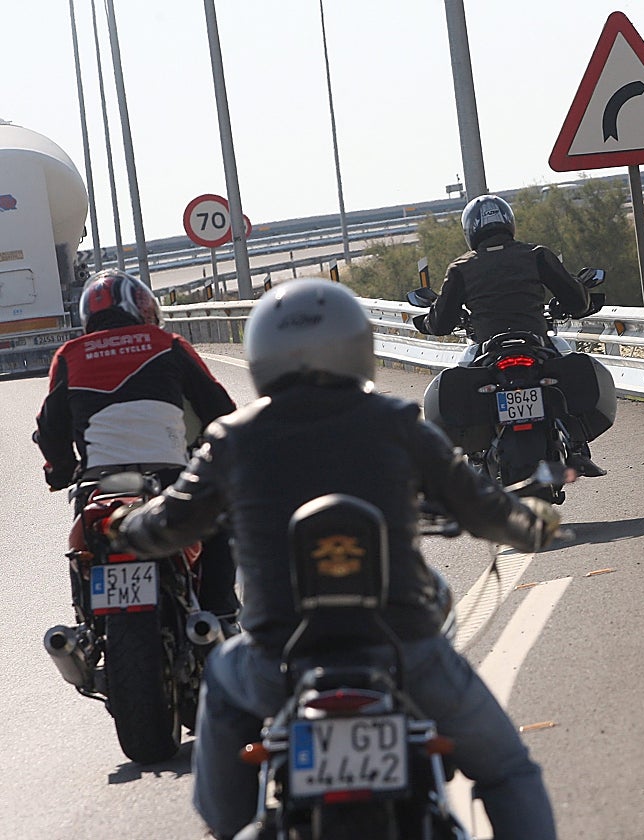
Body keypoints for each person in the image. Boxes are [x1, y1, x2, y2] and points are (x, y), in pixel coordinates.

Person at [107, 277, 561, 840]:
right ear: (356, 343)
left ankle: (228, 826)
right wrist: (532, 524)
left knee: (222, 678)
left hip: (278, 661)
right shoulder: (397, 422)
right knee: (507, 769)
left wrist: (126, 525)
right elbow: (480, 504)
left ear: (262, 354)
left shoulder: (232, 438)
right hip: (403, 652)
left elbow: (169, 524)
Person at [34, 268, 240, 624]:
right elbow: (220, 409)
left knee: (82, 545)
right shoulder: (168, 344)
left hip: (99, 482)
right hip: (168, 476)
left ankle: (88, 623)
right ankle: (220, 613)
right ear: (140, 306)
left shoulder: (69, 355)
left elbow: (50, 426)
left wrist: (61, 471)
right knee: (218, 521)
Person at [414, 193, 606, 477]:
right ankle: (577, 445)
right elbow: (577, 301)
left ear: (470, 230)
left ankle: (476, 453)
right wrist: (575, 299)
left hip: (488, 348)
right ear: (509, 223)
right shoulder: (536, 254)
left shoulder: (461, 268)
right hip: (535, 341)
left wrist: (430, 322)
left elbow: (441, 322)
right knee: (565, 363)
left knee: (464, 373)